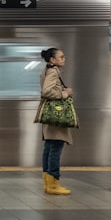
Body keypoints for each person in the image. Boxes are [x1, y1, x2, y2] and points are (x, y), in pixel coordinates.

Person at [36, 47, 73, 195]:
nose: (64, 59)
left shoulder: (47, 70)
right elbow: (47, 91)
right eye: (61, 57)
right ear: (53, 60)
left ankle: (48, 183)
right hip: (56, 117)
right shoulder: (53, 72)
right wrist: (65, 93)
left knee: (49, 148)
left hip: (50, 116)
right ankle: (53, 184)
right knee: (55, 149)